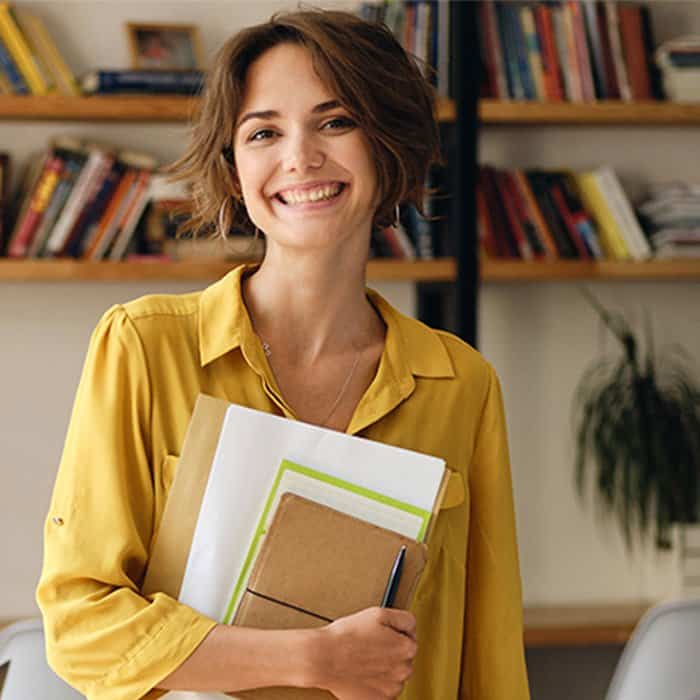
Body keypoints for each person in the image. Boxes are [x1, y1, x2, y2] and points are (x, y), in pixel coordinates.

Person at [37, 9, 529, 700]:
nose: (300, 157)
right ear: (234, 171)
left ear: (387, 146)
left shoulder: (461, 383)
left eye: (335, 122)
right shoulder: (144, 347)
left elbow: (489, 659)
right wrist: (313, 661)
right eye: (264, 132)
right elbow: (80, 624)